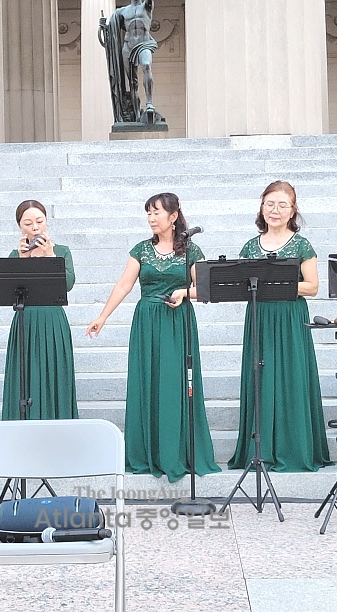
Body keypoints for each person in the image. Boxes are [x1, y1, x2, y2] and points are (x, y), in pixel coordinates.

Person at [86, 193, 220, 482]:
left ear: (173, 217)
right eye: (148, 213)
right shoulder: (141, 250)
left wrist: (185, 292)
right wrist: (103, 316)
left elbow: (207, 288)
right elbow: (124, 284)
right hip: (147, 321)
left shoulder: (191, 251)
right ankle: (146, 452)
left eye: (156, 212)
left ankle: (177, 452)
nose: (151, 218)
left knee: (175, 385)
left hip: (177, 321)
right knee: (147, 383)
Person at [228, 181, 332, 472]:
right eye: (270, 204)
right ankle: (260, 450)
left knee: (291, 377)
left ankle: (295, 449)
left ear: (292, 210)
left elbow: (312, 286)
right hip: (260, 317)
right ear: (262, 207)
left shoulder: (301, 244)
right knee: (260, 377)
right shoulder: (251, 245)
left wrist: (278, 283)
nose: (275, 210)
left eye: (282, 205)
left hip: (289, 316)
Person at [2, 200, 78, 420]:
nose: (34, 227)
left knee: (55, 375)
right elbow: (9, 292)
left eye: (39, 221)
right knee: (24, 377)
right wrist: (23, 260)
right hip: (25, 319)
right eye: (28, 222)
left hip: (53, 319)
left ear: (46, 222)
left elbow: (68, 284)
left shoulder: (62, 251)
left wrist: (50, 257)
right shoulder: (15, 254)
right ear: (20, 226)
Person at [99, 0, 159, 123]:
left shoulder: (147, 6)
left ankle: (149, 103)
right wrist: (104, 27)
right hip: (128, 46)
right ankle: (136, 114)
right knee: (132, 82)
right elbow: (112, 30)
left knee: (146, 65)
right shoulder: (122, 11)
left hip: (144, 44)